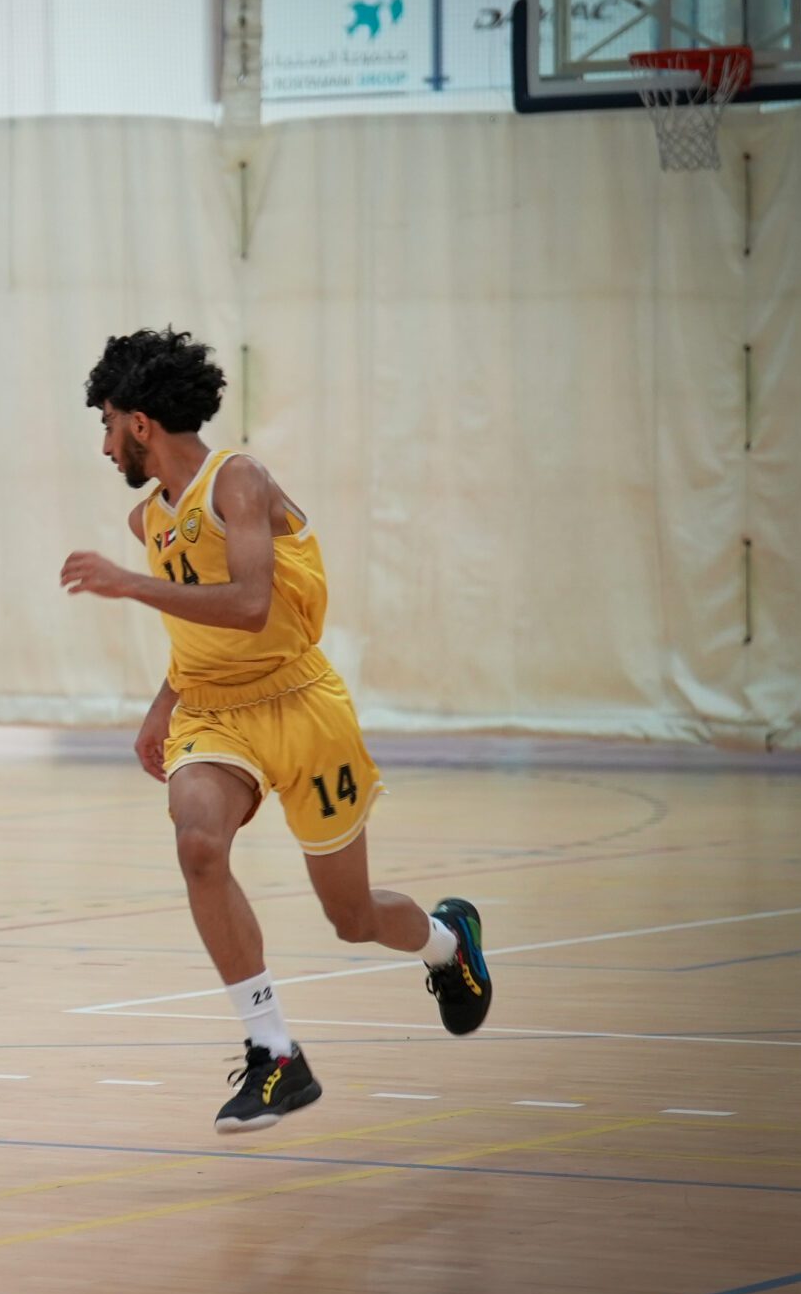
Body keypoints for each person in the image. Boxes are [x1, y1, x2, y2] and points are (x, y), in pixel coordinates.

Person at [60, 328, 491, 1132]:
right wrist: (163, 703)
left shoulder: (239, 480)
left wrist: (130, 587)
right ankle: (275, 1054)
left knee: (351, 918)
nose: (105, 443)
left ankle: (446, 942)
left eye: (108, 423)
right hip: (213, 710)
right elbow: (202, 628)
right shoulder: (146, 519)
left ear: (141, 423)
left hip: (301, 706)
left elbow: (251, 606)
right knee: (198, 845)